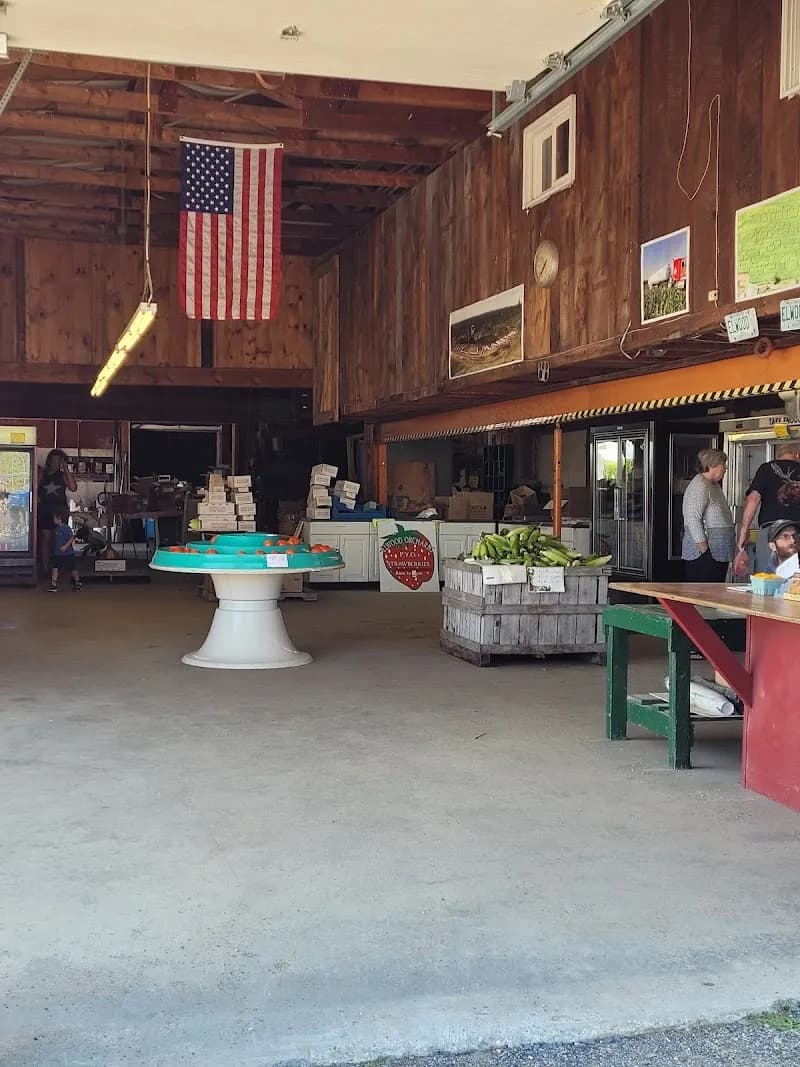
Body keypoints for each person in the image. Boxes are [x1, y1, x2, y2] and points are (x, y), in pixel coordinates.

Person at [734, 442, 800, 576]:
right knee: (796, 580)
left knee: (766, 577)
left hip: (771, 531)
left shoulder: (766, 469)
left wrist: (744, 530)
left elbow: (753, 499)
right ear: (798, 455)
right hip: (797, 532)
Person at [681, 448, 736, 582]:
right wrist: (704, 549)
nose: (725, 469)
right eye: (723, 464)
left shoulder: (712, 484)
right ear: (712, 465)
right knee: (704, 593)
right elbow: (693, 518)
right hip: (704, 554)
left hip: (716, 552)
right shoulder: (700, 486)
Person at [38, 448, 77, 578]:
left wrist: (65, 468)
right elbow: (34, 487)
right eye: (54, 460)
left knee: (60, 539)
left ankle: (59, 568)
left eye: (58, 460)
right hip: (44, 508)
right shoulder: (42, 473)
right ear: (49, 461)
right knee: (45, 538)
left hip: (59, 509)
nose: (55, 462)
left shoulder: (62, 475)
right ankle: (44, 568)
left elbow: (73, 487)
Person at [50, 507, 82, 593]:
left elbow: (72, 537)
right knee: (55, 567)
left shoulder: (66, 528)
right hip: (58, 553)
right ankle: (54, 584)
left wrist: (65, 546)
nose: (53, 520)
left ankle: (77, 582)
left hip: (68, 553)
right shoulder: (56, 529)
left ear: (59, 519)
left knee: (72, 568)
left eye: (54, 518)